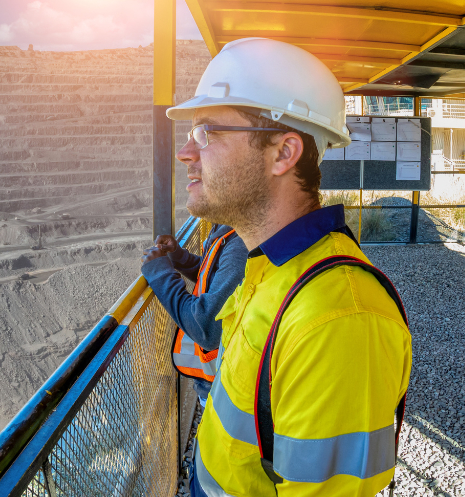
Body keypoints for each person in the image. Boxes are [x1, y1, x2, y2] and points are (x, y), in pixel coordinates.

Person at [165, 37, 413, 496]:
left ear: (284, 153)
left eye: (207, 132)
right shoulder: (269, 268)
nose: (186, 153)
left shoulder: (337, 318)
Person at [141, 223, 247, 403]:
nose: (191, 193)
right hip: (217, 382)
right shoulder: (227, 228)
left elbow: (205, 328)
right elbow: (216, 277)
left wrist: (159, 273)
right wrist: (179, 256)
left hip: (223, 389)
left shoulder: (240, 244)